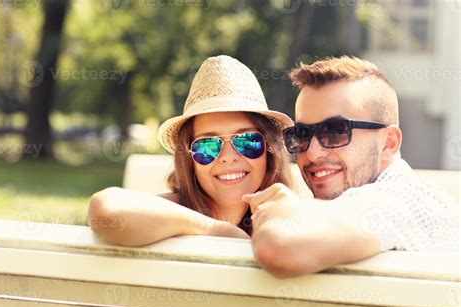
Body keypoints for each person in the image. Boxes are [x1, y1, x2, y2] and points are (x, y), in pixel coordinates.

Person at [243, 56, 459, 278]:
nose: (313, 153)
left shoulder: (404, 202)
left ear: (389, 143)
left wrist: (276, 212)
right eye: (302, 134)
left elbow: (280, 248)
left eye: (335, 131)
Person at [87, 55, 294, 246]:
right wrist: (217, 229)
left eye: (247, 141)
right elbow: (104, 208)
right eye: (207, 145)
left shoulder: (286, 209)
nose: (228, 157)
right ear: (187, 157)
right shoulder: (177, 208)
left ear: (269, 149)